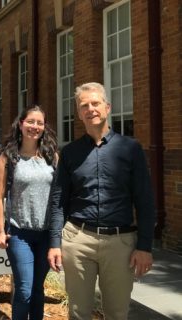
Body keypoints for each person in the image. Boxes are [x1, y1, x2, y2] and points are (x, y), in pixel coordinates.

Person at [47, 82, 156, 319]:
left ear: (107, 107)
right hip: (78, 240)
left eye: (95, 103)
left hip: (120, 243)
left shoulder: (131, 149)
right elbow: (58, 202)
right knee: (78, 313)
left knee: (117, 314)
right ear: (78, 113)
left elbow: (145, 200)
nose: (90, 109)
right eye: (84, 105)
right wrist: (55, 243)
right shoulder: (70, 153)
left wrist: (145, 246)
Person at [0, 106, 58, 320]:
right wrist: (1, 231)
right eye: (30, 121)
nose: (35, 127)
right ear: (20, 124)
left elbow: (60, 194)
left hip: (46, 233)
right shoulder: (8, 157)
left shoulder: (51, 156)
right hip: (19, 233)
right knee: (24, 289)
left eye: (39, 123)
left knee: (38, 289)